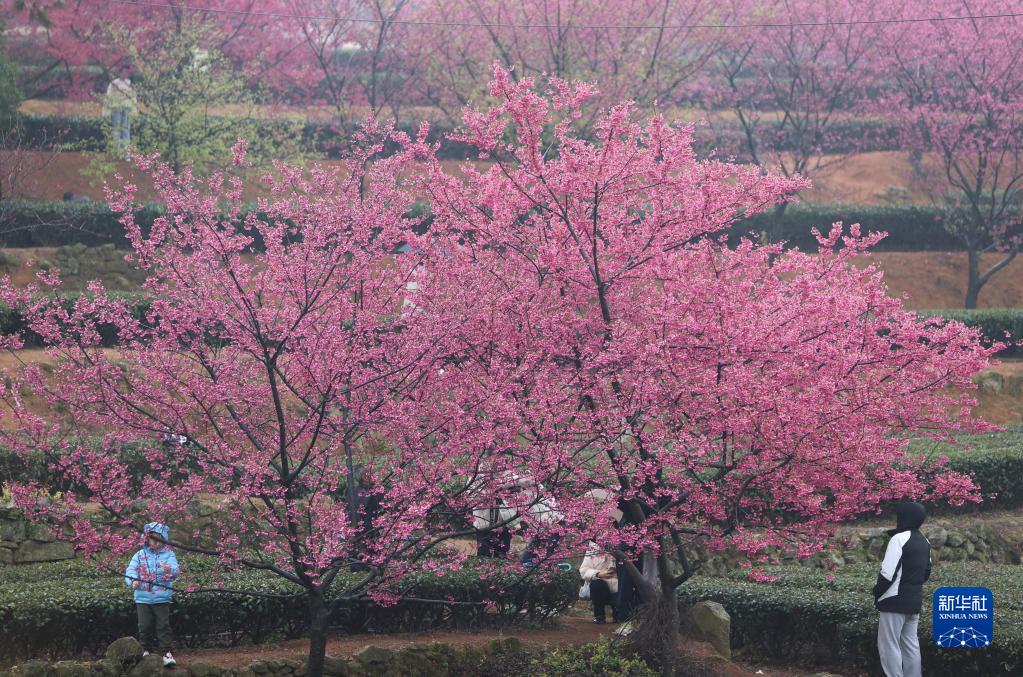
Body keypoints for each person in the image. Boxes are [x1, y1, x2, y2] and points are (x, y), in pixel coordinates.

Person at [874, 501, 932, 677]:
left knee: (889, 645)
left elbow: (887, 573)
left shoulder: (898, 539)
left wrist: (876, 593)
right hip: (914, 601)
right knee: (910, 645)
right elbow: (926, 572)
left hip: (893, 601)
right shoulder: (925, 541)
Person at [125, 522, 180, 667]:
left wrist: (169, 570)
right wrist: (133, 582)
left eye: (158, 540)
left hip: (162, 597)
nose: (155, 543)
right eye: (152, 539)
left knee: (163, 626)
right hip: (143, 597)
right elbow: (131, 570)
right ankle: (146, 650)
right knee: (144, 625)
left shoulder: (169, 554)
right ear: (147, 539)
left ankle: (167, 653)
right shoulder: (140, 555)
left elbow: (175, 571)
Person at [579, 542, 619, 624]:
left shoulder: (623, 545)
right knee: (596, 585)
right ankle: (599, 616)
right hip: (601, 585)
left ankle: (619, 615)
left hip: (619, 586)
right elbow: (584, 570)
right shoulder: (593, 548)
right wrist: (597, 574)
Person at [103, 77, 136, 159]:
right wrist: (106, 110)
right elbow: (109, 95)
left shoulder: (129, 82)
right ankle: (116, 153)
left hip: (127, 108)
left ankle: (126, 154)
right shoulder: (114, 83)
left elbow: (133, 96)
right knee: (116, 130)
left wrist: (134, 110)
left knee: (126, 130)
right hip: (116, 108)